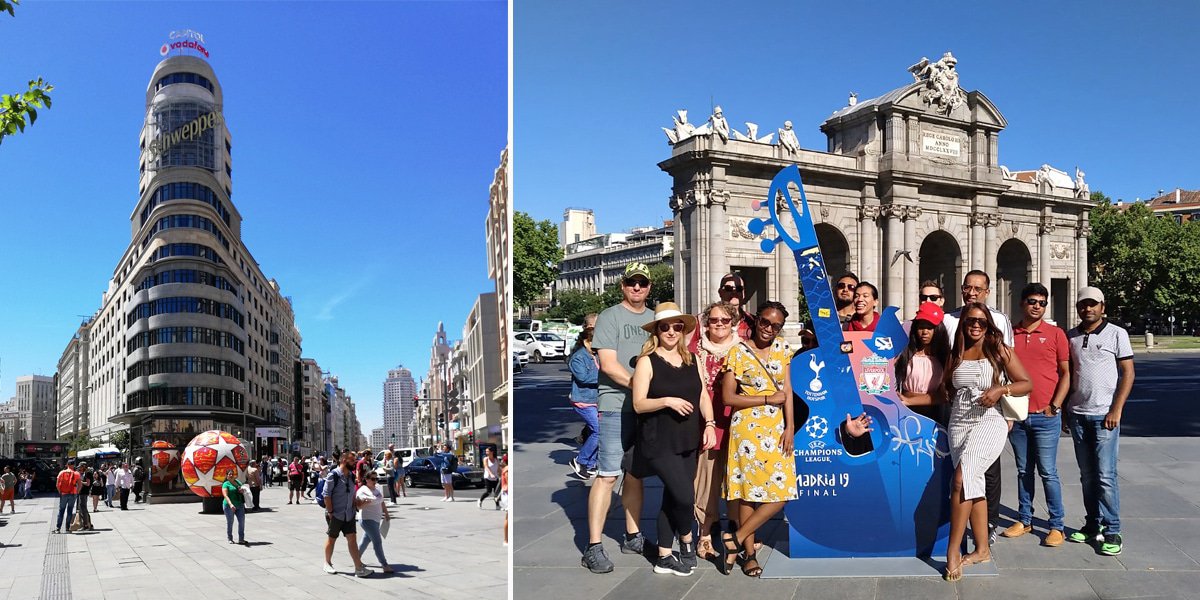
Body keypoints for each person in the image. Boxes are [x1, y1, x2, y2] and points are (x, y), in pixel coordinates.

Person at [941, 303, 1032, 581]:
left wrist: (1000, 389)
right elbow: (947, 387)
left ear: (989, 323)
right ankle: (982, 550)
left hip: (990, 420)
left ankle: (952, 551)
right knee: (973, 483)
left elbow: (1025, 383)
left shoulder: (1000, 349)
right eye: (970, 320)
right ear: (963, 322)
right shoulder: (955, 352)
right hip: (959, 422)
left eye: (981, 320)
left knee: (960, 479)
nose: (976, 325)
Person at [631, 302, 717, 576]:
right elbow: (639, 404)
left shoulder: (693, 360)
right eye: (665, 326)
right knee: (684, 495)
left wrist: (711, 423)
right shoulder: (647, 361)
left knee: (672, 497)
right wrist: (667, 401)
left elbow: (703, 395)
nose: (671, 331)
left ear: (683, 330)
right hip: (659, 441)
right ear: (656, 330)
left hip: (688, 438)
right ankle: (687, 541)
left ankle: (664, 556)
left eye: (677, 326)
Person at [580, 262, 654, 574]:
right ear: (622, 285)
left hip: (646, 408)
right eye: (631, 282)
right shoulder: (610, 316)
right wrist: (640, 387)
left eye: (642, 283)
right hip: (615, 406)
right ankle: (593, 546)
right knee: (608, 475)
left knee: (636, 475)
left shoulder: (655, 319)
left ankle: (633, 535)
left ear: (649, 287)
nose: (637, 288)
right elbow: (608, 364)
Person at [720, 301, 800, 577]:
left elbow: (787, 390)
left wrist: (790, 427)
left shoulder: (782, 350)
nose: (769, 329)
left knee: (784, 491)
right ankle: (750, 556)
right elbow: (728, 397)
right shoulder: (738, 352)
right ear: (756, 320)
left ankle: (737, 537)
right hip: (746, 429)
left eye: (775, 326)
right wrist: (765, 398)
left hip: (776, 428)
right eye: (765, 322)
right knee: (747, 493)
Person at [942, 270, 1014, 544]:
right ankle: (981, 546)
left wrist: (1004, 401)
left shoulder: (999, 322)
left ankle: (981, 529)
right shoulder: (948, 319)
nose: (971, 292)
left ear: (987, 291)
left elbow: (1011, 373)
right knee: (970, 476)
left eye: (977, 288)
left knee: (970, 475)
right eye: (967, 287)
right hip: (958, 414)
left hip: (989, 413)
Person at [1065, 286, 1133, 556]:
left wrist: (1116, 409)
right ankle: (1092, 523)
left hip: (1105, 414)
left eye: (1093, 304)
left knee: (1106, 475)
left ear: (1103, 307)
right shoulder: (1071, 336)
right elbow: (1068, 375)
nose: (1088, 309)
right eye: (1083, 305)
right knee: (1087, 475)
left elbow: (1128, 373)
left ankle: (1113, 528)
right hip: (1078, 413)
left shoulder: (1117, 333)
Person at [1002, 283, 1071, 546]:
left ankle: (1057, 525)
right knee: (1023, 470)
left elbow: (1065, 373)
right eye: (1032, 301)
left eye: (1042, 303)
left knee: (1048, 471)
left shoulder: (1055, 334)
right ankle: (1025, 519)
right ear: (1022, 303)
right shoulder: (1010, 336)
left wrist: (1056, 404)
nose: (1037, 306)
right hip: (1018, 414)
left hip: (1045, 414)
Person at [688, 300, 740, 561]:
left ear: (734, 323)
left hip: (737, 423)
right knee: (706, 481)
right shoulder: (694, 349)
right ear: (706, 322)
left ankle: (740, 533)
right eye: (714, 320)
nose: (719, 324)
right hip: (706, 422)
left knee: (735, 481)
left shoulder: (743, 349)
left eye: (725, 320)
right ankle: (705, 534)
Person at [896, 302, 951, 423]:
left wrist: (909, 400)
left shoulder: (945, 357)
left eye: (930, 327)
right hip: (906, 412)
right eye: (921, 327)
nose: (925, 332)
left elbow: (944, 395)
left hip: (935, 414)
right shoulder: (905, 353)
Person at [323, 451, 372, 577]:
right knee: (332, 539)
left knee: (352, 540)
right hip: (335, 514)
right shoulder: (333, 475)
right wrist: (330, 512)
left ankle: (358, 568)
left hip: (349, 514)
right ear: (344, 460)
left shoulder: (351, 476)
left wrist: (359, 502)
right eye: (352, 460)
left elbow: (351, 495)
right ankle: (327, 563)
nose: (354, 463)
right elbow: (326, 495)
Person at [568, 313, 600, 480]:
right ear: (588, 340)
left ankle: (590, 464)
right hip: (582, 401)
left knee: (598, 431)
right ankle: (580, 460)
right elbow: (584, 378)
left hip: (595, 400)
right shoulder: (578, 357)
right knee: (598, 430)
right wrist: (606, 375)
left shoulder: (594, 355)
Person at [356, 471, 393, 573]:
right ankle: (384, 565)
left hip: (376, 519)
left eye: (376, 479)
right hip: (367, 520)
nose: (375, 481)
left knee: (365, 540)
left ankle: (356, 559)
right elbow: (358, 506)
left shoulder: (376, 489)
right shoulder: (363, 491)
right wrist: (365, 502)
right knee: (377, 542)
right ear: (366, 479)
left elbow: (381, 501)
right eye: (372, 479)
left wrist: (386, 513)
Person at [716, 273, 756, 340]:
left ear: (743, 293)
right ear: (720, 292)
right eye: (728, 288)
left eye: (739, 289)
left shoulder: (753, 322)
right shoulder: (702, 321)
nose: (734, 292)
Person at [220, 470, 247, 544]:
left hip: (240, 505)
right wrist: (231, 504)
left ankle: (241, 539)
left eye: (232, 474)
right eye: (229, 474)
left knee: (242, 522)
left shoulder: (238, 482)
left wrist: (242, 491)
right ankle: (230, 538)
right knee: (230, 522)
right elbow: (225, 495)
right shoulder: (225, 484)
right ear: (227, 476)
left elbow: (242, 491)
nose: (231, 475)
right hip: (229, 506)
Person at [54, 460, 81, 533]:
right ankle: (67, 528)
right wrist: (76, 493)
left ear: (67, 465)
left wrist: (60, 492)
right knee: (70, 511)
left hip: (63, 494)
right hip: (73, 494)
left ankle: (58, 528)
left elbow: (57, 485)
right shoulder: (76, 473)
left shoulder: (61, 472)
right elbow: (80, 484)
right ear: (73, 465)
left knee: (61, 511)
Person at [75, 463, 93, 531]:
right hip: (83, 493)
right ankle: (89, 524)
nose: (79, 468)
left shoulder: (87, 473)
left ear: (84, 467)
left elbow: (88, 484)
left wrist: (80, 482)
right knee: (84, 509)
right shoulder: (86, 473)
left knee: (83, 509)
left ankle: (85, 525)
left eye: (80, 467)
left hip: (83, 493)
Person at [500, 454, 510, 547]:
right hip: (507, 494)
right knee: (508, 516)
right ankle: (506, 540)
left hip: (506, 493)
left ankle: (507, 539)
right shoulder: (507, 470)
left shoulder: (506, 468)